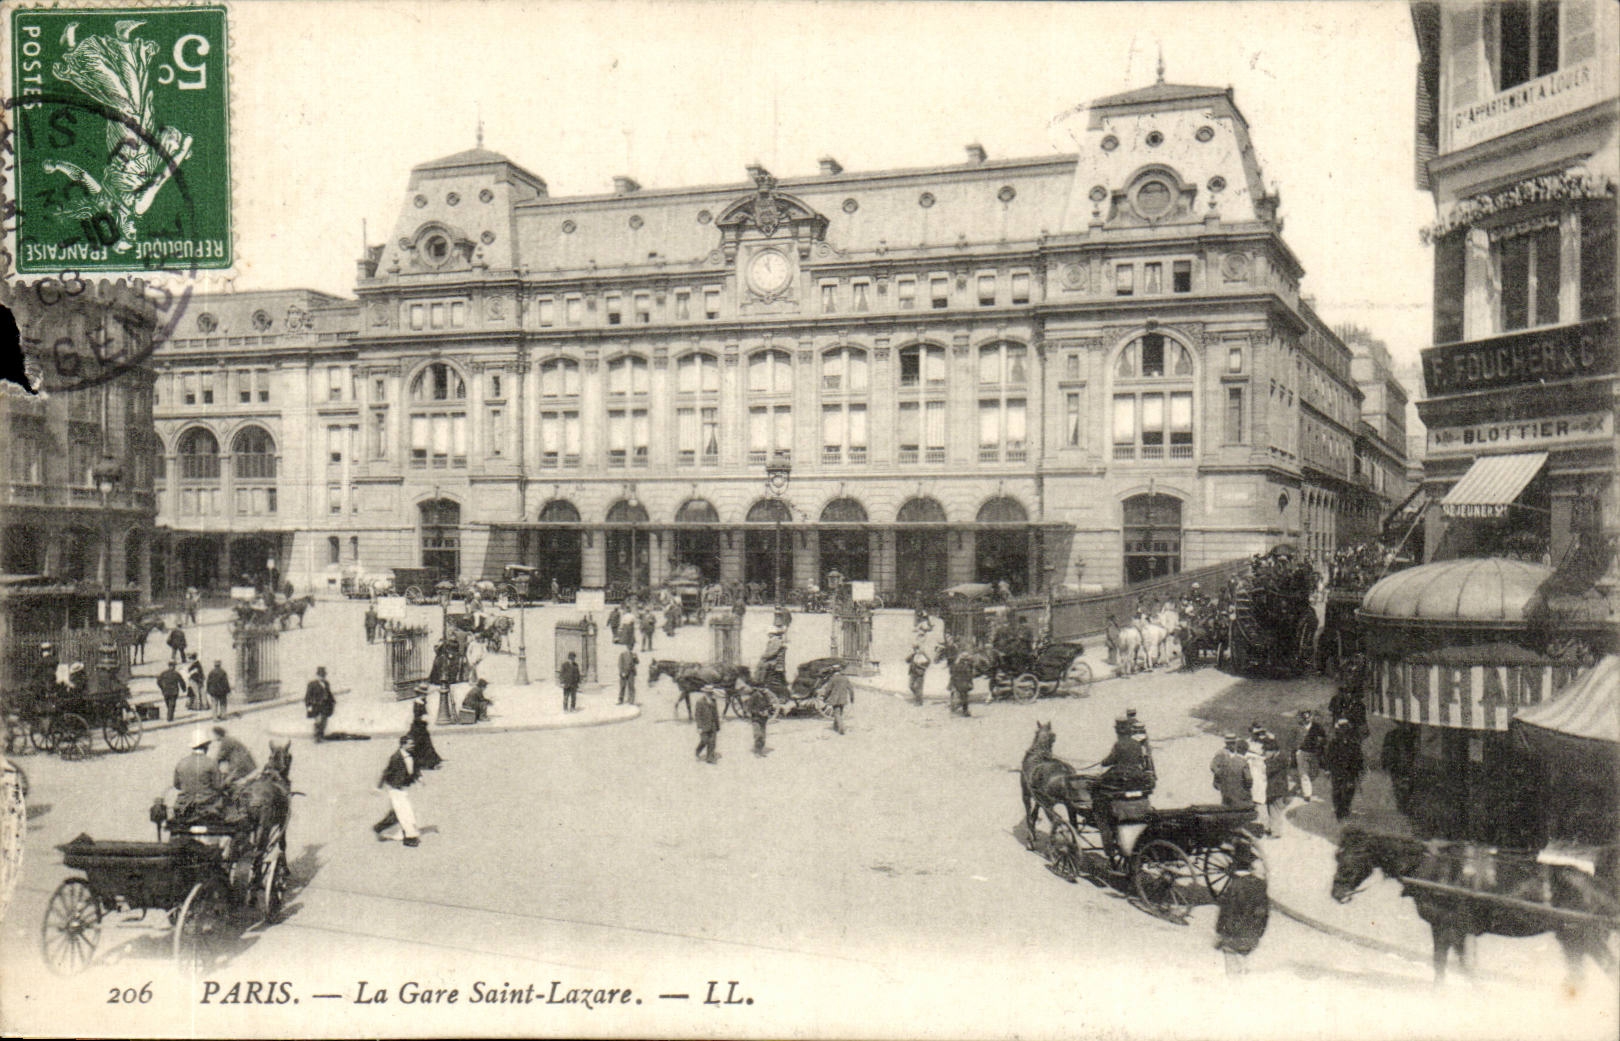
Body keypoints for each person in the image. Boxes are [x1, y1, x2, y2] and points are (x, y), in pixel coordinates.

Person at [1213, 841, 1269, 975]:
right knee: (1243, 963)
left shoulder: (1235, 886)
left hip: (1234, 938)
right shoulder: (1260, 886)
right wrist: (1258, 933)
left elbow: (1227, 913)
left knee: (1232, 970)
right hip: (1252, 937)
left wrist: (1220, 932)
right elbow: (1264, 914)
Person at [374, 735, 423, 847]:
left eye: (413, 744)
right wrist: (378, 787)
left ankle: (379, 828)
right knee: (406, 813)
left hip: (405, 788)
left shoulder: (412, 755)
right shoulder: (395, 757)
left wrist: (419, 778)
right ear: (403, 744)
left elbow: (414, 769)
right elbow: (386, 772)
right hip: (396, 789)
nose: (413, 746)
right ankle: (409, 838)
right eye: (410, 744)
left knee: (397, 813)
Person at [173, 729, 227, 822]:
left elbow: (177, 785)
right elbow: (218, 786)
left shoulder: (181, 763)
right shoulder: (211, 763)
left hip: (184, 807)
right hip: (208, 807)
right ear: (206, 746)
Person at [1324, 718, 1364, 821]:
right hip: (1337, 770)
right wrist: (1327, 769)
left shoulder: (1354, 743)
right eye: (1341, 729)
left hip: (1350, 771)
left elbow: (1358, 757)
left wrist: (1360, 769)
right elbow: (1329, 757)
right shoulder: (1333, 743)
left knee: (1349, 790)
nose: (1343, 731)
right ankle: (1339, 811)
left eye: (1345, 729)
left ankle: (1345, 808)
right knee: (1337, 790)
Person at [1211, 734, 1254, 810]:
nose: (1232, 745)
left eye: (1233, 743)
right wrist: (1221, 777)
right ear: (1226, 743)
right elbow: (1213, 766)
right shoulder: (1221, 753)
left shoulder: (1235, 753)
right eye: (1230, 743)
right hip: (1228, 784)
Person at [1294, 709, 1327, 802]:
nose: (1306, 719)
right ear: (1302, 717)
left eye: (1308, 716)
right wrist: (1296, 749)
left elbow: (1324, 739)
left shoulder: (1317, 727)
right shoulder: (1298, 727)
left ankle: (1308, 785)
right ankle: (1307, 794)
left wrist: (1319, 744)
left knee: (1314, 772)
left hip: (1314, 752)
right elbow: (1292, 738)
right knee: (1303, 773)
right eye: (1304, 717)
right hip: (1302, 752)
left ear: (1311, 717)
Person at [407, 696, 444, 770]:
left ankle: (429, 762)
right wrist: (423, 718)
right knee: (424, 745)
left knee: (424, 745)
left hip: (420, 727)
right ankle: (431, 763)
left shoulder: (420, 702)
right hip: (418, 728)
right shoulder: (418, 704)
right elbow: (417, 716)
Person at [305, 666, 336, 741]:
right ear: (317, 675)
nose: (322, 677)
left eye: (323, 675)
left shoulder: (326, 683)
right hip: (316, 706)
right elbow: (308, 696)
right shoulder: (312, 684)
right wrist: (309, 706)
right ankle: (317, 736)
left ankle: (321, 735)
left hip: (325, 706)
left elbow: (329, 693)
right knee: (318, 721)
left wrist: (333, 701)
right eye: (320, 675)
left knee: (324, 721)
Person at [744, 680, 772, 757]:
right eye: (760, 687)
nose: (762, 689)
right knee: (758, 735)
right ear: (758, 688)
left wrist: (767, 710)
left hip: (764, 719)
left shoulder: (766, 696)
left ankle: (760, 750)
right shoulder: (754, 696)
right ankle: (756, 751)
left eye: (763, 687)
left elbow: (770, 706)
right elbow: (748, 708)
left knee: (763, 736)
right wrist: (758, 712)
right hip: (756, 718)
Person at [693, 685, 720, 764]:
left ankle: (710, 758)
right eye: (708, 692)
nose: (709, 694)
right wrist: (699, 727)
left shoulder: (713, 701)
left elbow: (716, 713)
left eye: (710, 692)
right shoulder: (700, 702)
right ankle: (698, 750)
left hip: (713, 724)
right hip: (704, 725)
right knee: (704, 740)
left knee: (712, 742)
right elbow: (697, 715)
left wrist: (717, 725)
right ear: (704, 692)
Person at [824, 667, 853, 735]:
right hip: (843, 699)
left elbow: (828, 690)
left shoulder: (833, 679)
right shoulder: (845, 679)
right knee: (840, 713)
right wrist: (852, 698)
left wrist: (825, 697)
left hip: (835, 699)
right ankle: (835, 726)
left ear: (834, 672)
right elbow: (851, 689)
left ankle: (841, 727)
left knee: (836, 713)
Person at [948, 652, 976, 717]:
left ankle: (953, 708)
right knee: (964, 697)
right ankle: (965, 711)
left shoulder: (955, 665)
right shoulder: (967, 666)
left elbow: (951, 673)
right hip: (964, 683)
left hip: (955, 682)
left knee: (954, 694)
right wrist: (970, 682)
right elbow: (970, 675)